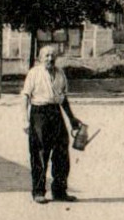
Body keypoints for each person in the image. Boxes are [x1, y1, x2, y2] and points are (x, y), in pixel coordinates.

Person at [22, 45, 82, 204]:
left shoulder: (60, 74)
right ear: (41, 58)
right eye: (47, 56)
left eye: (53, 56)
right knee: (40, 153)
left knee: (62, 149)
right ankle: (38, 192)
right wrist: (25, 120)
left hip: (55, 112)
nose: (50, 58)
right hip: (39, 113)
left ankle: (60, 191)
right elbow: (25, 97)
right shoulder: (34, 73)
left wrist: (72, 119)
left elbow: (63, 98)